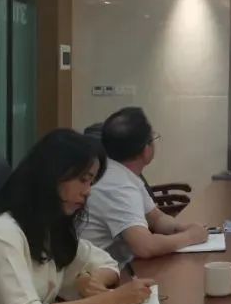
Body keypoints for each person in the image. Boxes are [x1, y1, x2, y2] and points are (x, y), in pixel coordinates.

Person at [0, 129, 156, 304]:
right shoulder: (1, 234)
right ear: (52, 176)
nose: (88, 191)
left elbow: (105, 261)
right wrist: (114, 299)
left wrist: (92, 279)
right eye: (83, 180)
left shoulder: (46, 227)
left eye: (91, 182)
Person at [81, 107, 207, 264]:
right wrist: (190, 237)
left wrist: (180, 228)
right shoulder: (118, 186)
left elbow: (156, 217)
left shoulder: (118, 172)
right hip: (97, 274)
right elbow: (144, 247)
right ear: (146, 150)